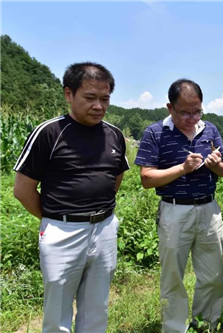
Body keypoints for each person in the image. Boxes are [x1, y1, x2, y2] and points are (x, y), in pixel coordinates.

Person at [13, 62, 129, 333]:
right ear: (69, 94)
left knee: (97, 307)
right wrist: (56, 218)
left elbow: (116, 178)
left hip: (104, 228)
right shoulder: (49, 133)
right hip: (61, 230)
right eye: (90, 98)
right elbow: (22, 189)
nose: (99, 106)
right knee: (57, 313)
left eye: (105, 99)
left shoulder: (114, 135)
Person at [135, 79, 223, 333]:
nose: (192, 118)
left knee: (213, 275)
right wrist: (183, 168)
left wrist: (216, 166)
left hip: (209, 210)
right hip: (174, 211)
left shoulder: (209, 129)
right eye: (185, 112)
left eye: (197, 111)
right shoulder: (155, 133)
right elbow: (147, 178)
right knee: (173, 277)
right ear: (170, 107)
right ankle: (175, 328)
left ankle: (205, 325)